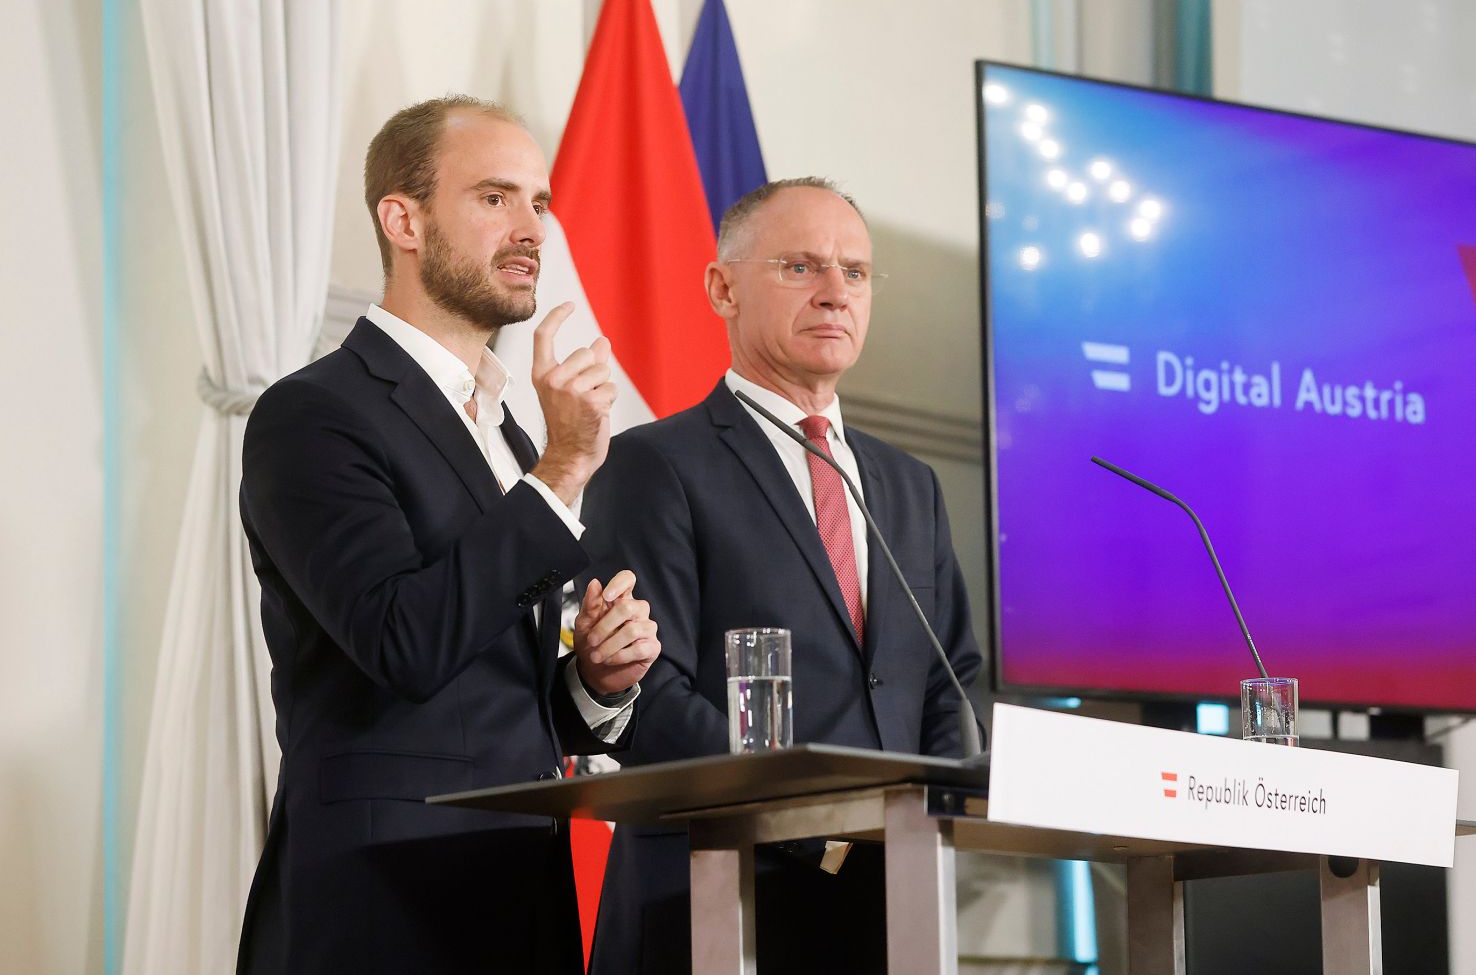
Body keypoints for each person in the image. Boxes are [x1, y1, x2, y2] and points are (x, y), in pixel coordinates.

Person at [235, 96, 660, 974]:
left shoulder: (507, 433)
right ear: (404, 219)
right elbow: (403, 641)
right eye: (495, 197)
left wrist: (592, 682)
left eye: (540, 203)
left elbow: (497, 693)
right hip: (384, 904)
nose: (532, 228)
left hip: (520, 892)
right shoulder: (313, 413)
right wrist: (561, 471)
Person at [583, 178, 983, 974]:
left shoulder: (909, 485)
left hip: (891, 907)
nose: (836, 292)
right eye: (802, 267)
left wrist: (922, 835)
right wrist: (820, 830)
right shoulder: (654, 465)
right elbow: (646, 693)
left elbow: (952, 680)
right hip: (717, 898)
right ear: (721, 288)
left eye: (857, 272)